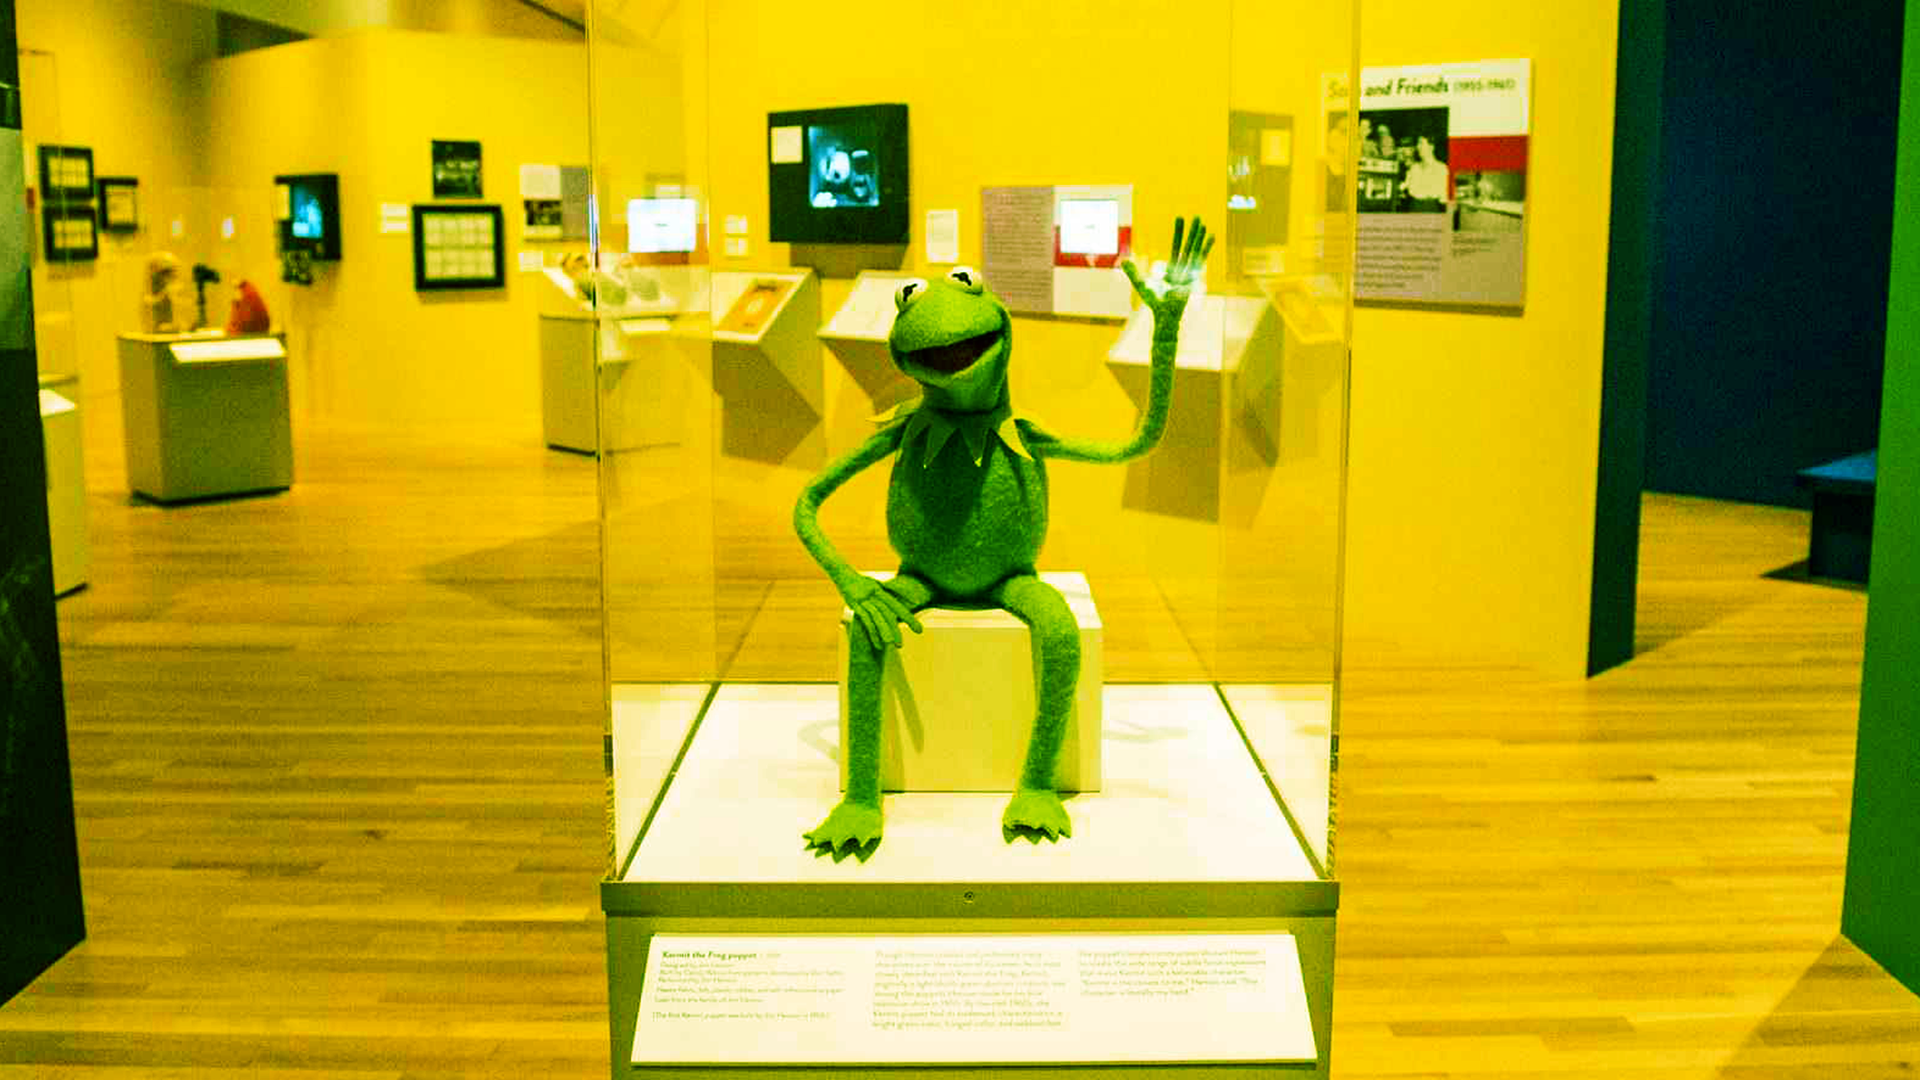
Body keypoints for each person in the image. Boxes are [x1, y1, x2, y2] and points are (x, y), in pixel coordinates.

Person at [1403, 135, 1449, 212]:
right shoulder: (1414, 168)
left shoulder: (1441, 169)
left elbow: (1443, 198)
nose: (1418, 147)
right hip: (1412, 208)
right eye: (1417, 144)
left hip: (1431, 209)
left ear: (1431, 147)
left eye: (1421, 143)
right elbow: (1406, 187)